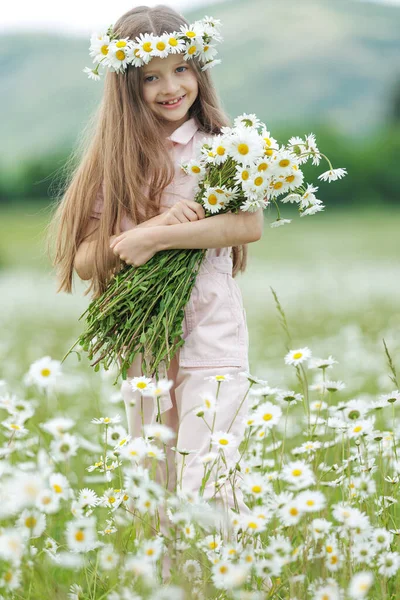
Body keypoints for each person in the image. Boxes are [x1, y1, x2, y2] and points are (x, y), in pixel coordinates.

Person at [48, 4, 265, 581]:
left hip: (212, 337)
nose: (171, 87)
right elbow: (91, 259)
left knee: (209, 476)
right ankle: (173, 590)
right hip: (145, 345)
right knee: (157, 485)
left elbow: (245, 225)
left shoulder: (224, 145)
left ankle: (229, 585)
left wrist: (165, 237)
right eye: (151, 77)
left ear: (200, 69)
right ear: (127, 85)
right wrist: (150, 231)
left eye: (181, 69)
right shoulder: (116, 159)